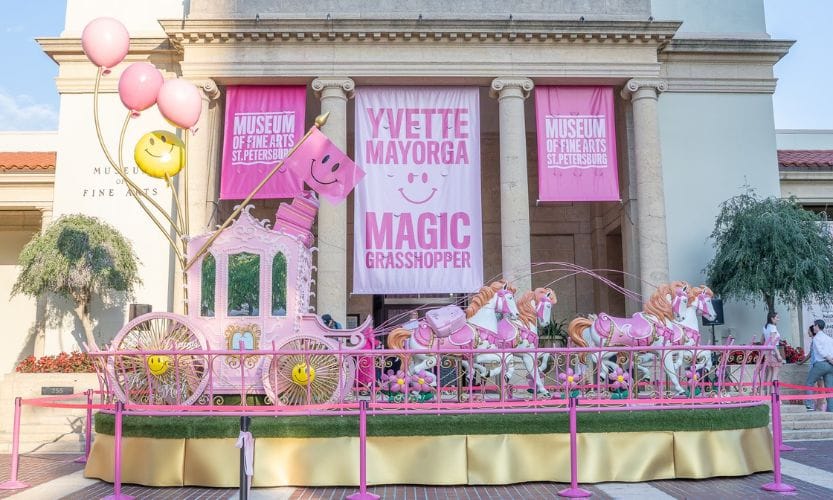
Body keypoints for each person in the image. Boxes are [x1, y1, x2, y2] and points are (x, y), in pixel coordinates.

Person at [799, 319, 833, 412]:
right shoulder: (829, 338)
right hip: (830, 366)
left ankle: (809, 405)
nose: (813, 327)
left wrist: (829, 358)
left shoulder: (816, 338)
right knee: (829, 388)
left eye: (814, 325)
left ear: (817, 326)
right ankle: (831, 410)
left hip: (820, 364)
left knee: (809, 383)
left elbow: (821, 352)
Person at [762, 312, 786, 380]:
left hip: (767, 351)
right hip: (774, 351)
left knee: (770, 373)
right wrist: (778, 354)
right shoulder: (773, 328)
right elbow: (773, 343)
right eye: (777, 318)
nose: (778, 319)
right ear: (772, 318)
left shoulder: (765, 327)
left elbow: (762, 341)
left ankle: (769, 390)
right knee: (775, 374)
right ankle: (774, 391)